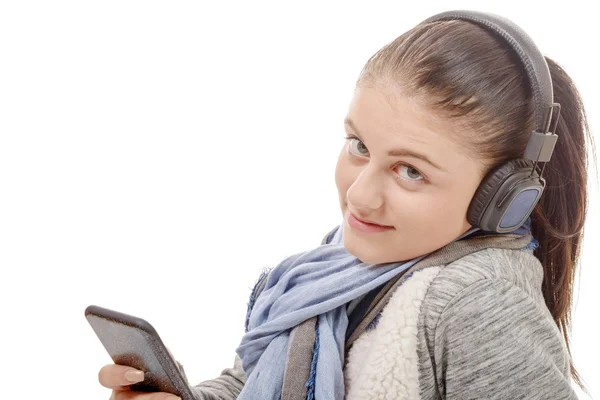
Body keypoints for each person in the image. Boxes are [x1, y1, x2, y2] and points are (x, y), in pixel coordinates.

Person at [97, 10, 595, 400]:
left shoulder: (475, 301)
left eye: (411, 171)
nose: (359, 195)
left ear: (501, 195)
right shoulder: (339, 264)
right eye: (359, 145)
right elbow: (255, 384)